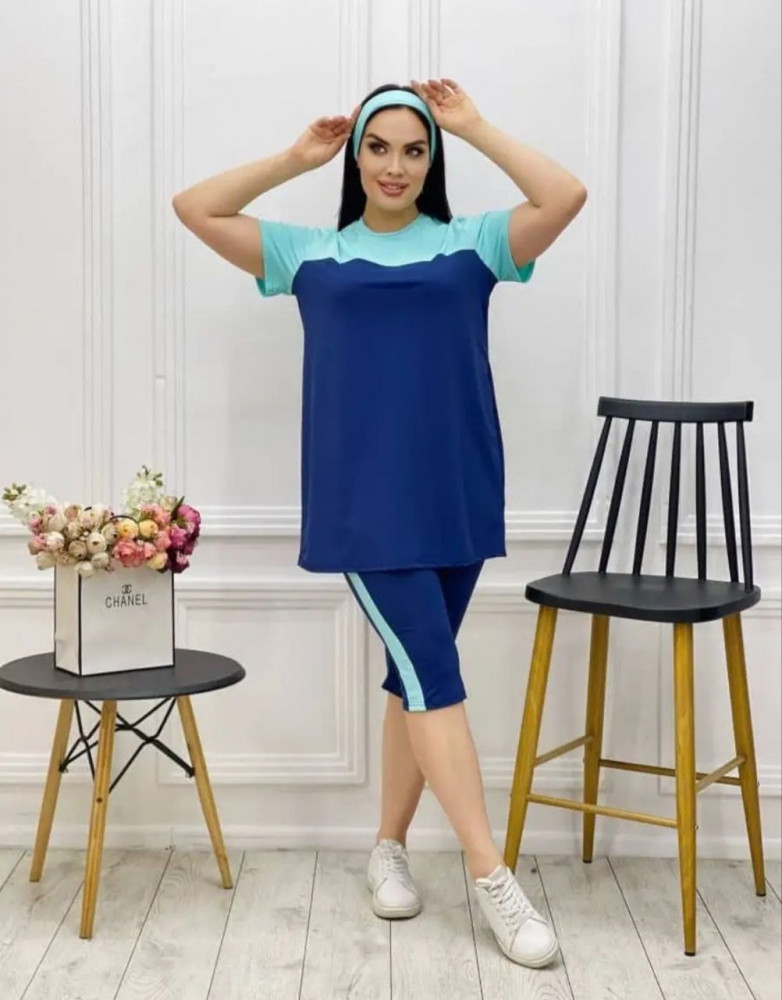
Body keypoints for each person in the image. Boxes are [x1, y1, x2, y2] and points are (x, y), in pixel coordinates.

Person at [172, 77, 586, 969]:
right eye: (378, 146)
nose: (395, 165)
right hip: (365, 504)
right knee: (435, 674)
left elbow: (565, 196)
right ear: (355, 155)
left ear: (432, 162)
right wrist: (296, 157)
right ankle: (491, 875)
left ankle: (387, 847)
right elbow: (195, 207)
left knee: (413, 678)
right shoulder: (308, 253)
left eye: (414, 149)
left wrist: (476, 126)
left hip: (458, 491)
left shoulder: (475, 243)